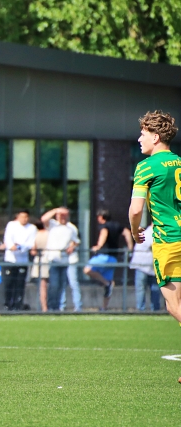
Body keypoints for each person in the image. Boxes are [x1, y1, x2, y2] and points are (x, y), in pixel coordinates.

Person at [128, 110, 181, 383]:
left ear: (156, 137)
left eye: (143, 134)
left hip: (169, 241)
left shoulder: (146, 167)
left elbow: (136, 208)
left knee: (174, 306)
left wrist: (134, 227)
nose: (139, 139)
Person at [84, 209, 133, 311]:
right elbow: (127, 232)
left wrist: (98, 246)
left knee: (87, 270)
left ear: (102, 217)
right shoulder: (117, 225)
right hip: (113, 259)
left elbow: (104, 234)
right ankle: (104, 307)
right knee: (109, 285)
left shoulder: (104, 227)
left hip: (104, 256)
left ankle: (106, 283)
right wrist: (130, 247)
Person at [41, 207, 80, 311]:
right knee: (53, 284)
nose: (62, 217)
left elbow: (76, 241)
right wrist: (56, 210)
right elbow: (44, 219)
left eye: (64, 215)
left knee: (61, 286)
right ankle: (51, 307)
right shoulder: (53, 225)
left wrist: (72, 246)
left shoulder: (71, 228)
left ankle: (58, 307)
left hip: (65, 260)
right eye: (60, 215)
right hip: (53, 259)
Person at [2, 209, 37, 310]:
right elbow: (7, 238)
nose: (24, 219)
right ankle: (7, 303)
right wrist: (11, 246)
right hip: (10, 259)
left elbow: (31, 243)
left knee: (20, 283)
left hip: (22, 260)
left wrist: (21, 247)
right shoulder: (11, 225)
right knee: (9, 282)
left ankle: (18, 304)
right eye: (22, 217)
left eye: (26, 217)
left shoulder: (32, 228)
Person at [129, 224, 161, 311]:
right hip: (142, 266)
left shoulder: (152, 232)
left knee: (154, 289)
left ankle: (154, 309)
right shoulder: (149, 233)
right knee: (142, 289)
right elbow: (154, 246)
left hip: (151, 267)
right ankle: (142, 309)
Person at [30, 220, 49, 312]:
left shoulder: (36, 235)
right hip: (49, 258)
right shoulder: (49, 233)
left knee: (42, 285)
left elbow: (33, 250)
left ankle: (44, 306)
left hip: (40, 259)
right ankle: (47, 306)